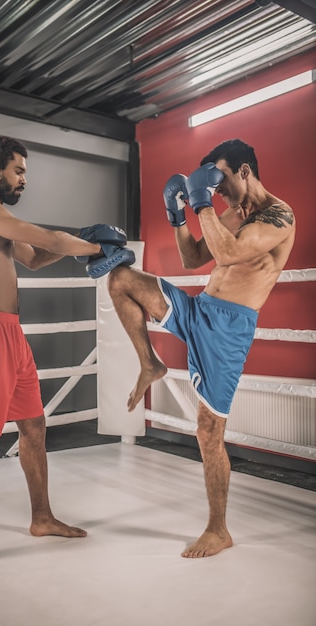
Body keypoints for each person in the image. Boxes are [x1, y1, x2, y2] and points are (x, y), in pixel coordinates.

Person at [0, 134, 130, 583]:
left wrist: (79, 244)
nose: (23, 180)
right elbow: (48, 236)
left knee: (34, 426)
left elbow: (36, 257)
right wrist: (95, 248)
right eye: (19, 171)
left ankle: (42, 517)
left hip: (11, 336)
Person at [108, 139, 295, 558]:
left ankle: (218, 529)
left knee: (209, 434)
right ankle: (148, 364)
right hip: (200, 309)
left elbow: (228, 255)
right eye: (214, 187)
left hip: (228, 331)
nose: (220, 192)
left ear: (245, 171)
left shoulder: (280, 218)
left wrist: (200, 202)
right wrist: (178, 214)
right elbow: (194, 258)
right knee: (120, 280)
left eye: (223, 181)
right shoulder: (231, 213)